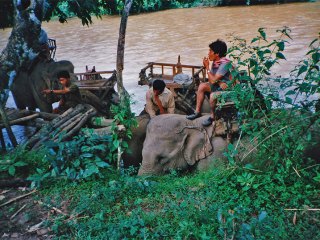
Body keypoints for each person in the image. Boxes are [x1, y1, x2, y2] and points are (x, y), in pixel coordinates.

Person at [186, 39, 232, 126]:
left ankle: (212, 116)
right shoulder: (216, 61)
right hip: (220, 85)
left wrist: (207, 67)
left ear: (217, 54)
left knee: (212, 96)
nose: (208, 53)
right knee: (202, 86)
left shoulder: (224, 64)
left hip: (228, 88)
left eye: (210, 51)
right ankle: (197, 112)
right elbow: (214, 79)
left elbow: (213, 79)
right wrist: (219, 83)